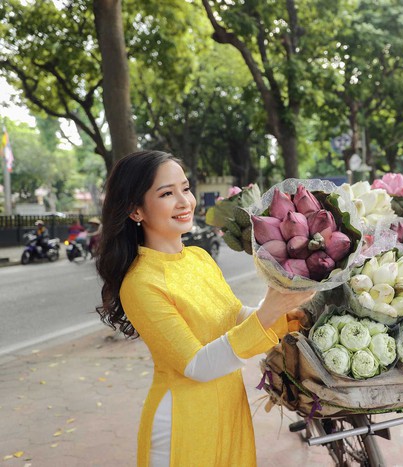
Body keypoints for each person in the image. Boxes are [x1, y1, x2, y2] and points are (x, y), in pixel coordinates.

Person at [95, 150, 313, 466]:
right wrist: (269, 312)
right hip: (184, 422)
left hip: (228, 407)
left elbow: (234, 316)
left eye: (185, 188)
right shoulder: (141, 282)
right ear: (135, 210)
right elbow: (197, 365)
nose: (185, 201)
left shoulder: (199, 258)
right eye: (167, 193)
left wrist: (290, 310)